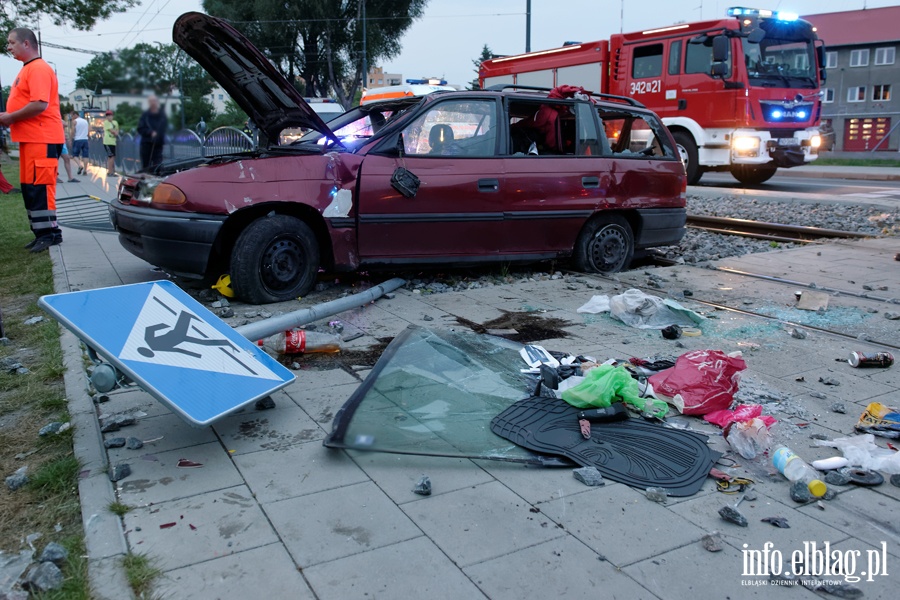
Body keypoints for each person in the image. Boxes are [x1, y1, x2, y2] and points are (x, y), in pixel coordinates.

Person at [0, 27, 66, 252]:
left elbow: (40, 104)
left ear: (26, 44)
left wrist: (9, 117)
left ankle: (48, 234)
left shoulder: (37, 68)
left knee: (40, 188)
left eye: (11, 43)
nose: (8, 47)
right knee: (31, 188)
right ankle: (43, 233)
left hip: (42, 138)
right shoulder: (29, 69)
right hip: (32, 139)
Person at [137, 95, 167, 171]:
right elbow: (140, 128)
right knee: (146, 165)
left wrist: (159, 134)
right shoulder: (145, 115)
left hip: (158, 144)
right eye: (151, 101)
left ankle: (157, 179)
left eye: (154, 101)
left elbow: (164, 127)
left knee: (157, 165)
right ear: (149, 102)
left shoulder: (162, 115)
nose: (153, 103)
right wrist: (150, 132)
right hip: (147, 144)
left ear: (157, 102)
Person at [70, 110, 89, 175]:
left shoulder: (74, 121)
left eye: (72, 116)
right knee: (85, 155)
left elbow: (73, 131)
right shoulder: (85, 121)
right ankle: (85, 170)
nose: (71, 117)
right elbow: (88, 129)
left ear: (75, 115)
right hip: (85, 140)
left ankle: (80, 165)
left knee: (75, 155)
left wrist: (70, 139)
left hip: (78, 139)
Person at [103, 110, 119, 177]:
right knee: (111, 156)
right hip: (107, 141)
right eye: (107, 115)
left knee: (112, 157)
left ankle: (111, 171)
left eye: (110, 115)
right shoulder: (106, 122)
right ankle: (110, 172)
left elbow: (117, 131)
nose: (109, 117)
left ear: (112, 116)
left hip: (113, 142)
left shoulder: (115, 122)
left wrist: (116, 132)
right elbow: (112, 131)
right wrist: (115, 132)